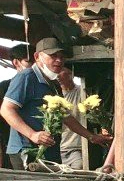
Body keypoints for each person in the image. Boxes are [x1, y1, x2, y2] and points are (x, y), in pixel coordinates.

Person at [1, 38, 110, 169]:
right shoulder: (26, 77)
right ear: (37, 57)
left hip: (50, 150)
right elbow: (6, 110)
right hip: (27, 150)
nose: (59, 60)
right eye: (53, 56)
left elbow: (65, 116)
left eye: (61, 57)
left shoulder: (54, 84)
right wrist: (32, 134)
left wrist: (92, 137)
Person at [0, 43, 31, 168]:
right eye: (28, 61)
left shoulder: (46, 84)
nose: (33, 65)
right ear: (16, 63)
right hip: (11, 143)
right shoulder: (4, 87)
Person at [57, 68, 86, 169]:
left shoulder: (83, 92)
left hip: (76, 148)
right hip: (57, 148)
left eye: (60, 70)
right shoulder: (52, 96)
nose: (57, 75)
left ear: (71, 73)